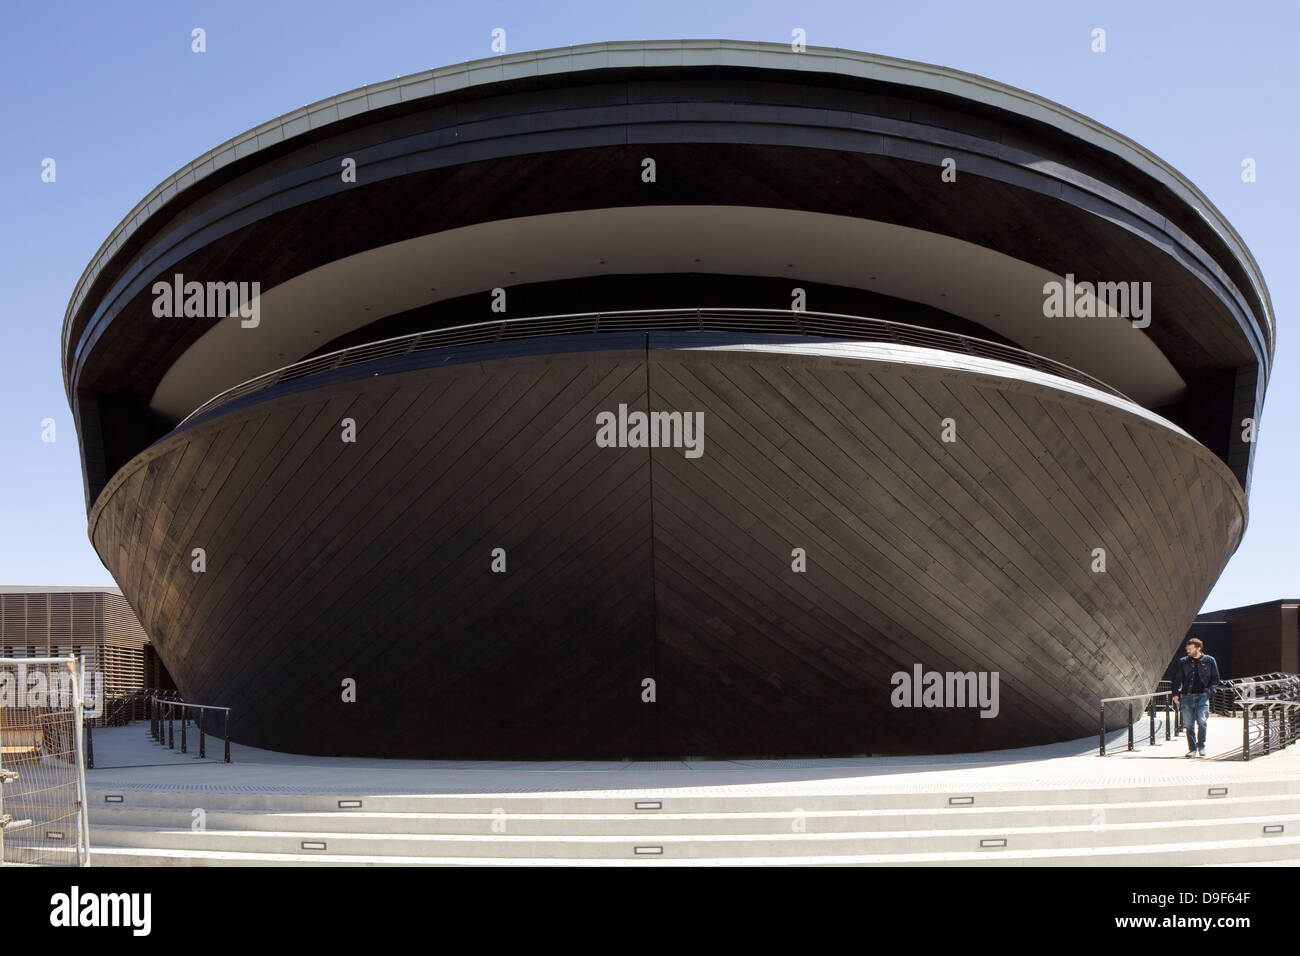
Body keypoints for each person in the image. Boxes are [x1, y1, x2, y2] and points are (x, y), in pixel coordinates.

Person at [1171, 637, 1220, 757]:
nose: (1188, 651)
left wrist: (1209, 691)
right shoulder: (1183, 661)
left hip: (1203, 696)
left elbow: (1215, 679)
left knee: (1202, 722)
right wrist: (1175, 694)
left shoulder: (1210, 660)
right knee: (1188, 724)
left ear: (1198, 648)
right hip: (1187, 697)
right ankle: (1192, 749)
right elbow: (1177, 679)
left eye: (1190, 649)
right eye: (1187, 649)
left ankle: (1201, 746)